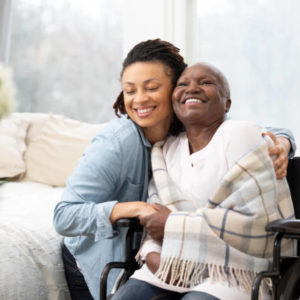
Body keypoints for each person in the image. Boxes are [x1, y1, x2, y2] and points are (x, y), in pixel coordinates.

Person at [53, 39, 295, 300]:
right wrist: (137, 208)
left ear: (173, 90)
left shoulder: (189, 126)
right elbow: (64, 215)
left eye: (152, 87)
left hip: (189, 257)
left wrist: (282, 142)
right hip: (101, 255)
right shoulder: (116, 144)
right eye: (130, 91)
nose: (140, 99)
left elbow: (252, 129)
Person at [112, 63, 295, 300]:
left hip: (235, 271)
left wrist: (173, 223)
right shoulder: (164, 150)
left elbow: (257, 224)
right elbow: (153, 218)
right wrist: (152, 255)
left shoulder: (241, 134)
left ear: (227, 103)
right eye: (182, 85)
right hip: (175, 262)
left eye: (206, 83)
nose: (192, 89)